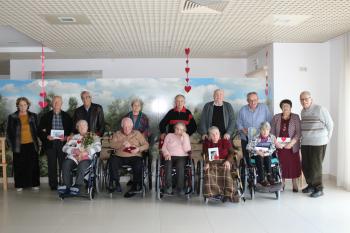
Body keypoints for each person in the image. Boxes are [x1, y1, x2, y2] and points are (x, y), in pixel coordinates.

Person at [299, 91, 333, 198]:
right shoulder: (303, 112)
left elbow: (330, 124)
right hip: (305, 142)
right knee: (305, 165)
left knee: (316, 166)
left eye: (306, 99)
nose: (304, 101)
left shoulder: (320, 109)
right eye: (302, 99)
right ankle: (311, 185)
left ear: (311, 99)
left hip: (318, 142)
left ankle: (319, 188)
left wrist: (327, 139)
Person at [39, 96, 73, 190]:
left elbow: (72, 130)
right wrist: (46, 136)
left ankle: (64, 183)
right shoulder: (45, 116)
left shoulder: (67, 116)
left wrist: (66, 137)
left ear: (61, 103)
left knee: (64, 164)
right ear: (52, 103)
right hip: (51, 143)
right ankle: (53, 185)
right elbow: (40, 131)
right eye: (54, 102)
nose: (56, 103)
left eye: (58, 102)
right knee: (51, 165)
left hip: (63, 144)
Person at [109, 117, 149, 198]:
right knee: (112, 160)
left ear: (132, 126)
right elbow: (112, 145)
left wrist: (138, 149)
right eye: (125, 126)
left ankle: (136, 186)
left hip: (134, 156)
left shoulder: (137, 133)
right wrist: (122, 143)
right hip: (120, 156)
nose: (127, 128)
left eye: (129, 126)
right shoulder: (117, 134)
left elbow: (146, 145)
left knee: (139, 163)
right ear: (122, 126)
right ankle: (116, 183)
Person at [6, 97, 40, 191]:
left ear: (28, 105)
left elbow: (38, 130)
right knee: (19, 165)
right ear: (17, 105)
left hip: (32, 144)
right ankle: (19, 185)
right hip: (18, 145)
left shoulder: (34, 116)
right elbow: (8, 133)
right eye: (20, 105)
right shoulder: (12, 116)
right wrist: (11, 145)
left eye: (24, 104)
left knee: (33, 165)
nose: (23, 106)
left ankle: (35, 184)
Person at [60, 120, 101, 194]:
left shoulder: (93, 136)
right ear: (77, 128)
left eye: (84, 126)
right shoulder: (74, 137)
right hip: (74, 158)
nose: (82, 128)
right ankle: (67, 186)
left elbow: (98, 147)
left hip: (86, 158)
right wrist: (73, 150)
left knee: (81, 165)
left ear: (87, 127)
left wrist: (87, 152)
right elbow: (64, 148)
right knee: (66, 164)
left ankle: (78, 185)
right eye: (80, 126)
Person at [271, 99, 301, 192]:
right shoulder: (276, 117)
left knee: (293, 164)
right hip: (280, 146)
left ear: (291, 107)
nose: (286, 108)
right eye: (283, 106)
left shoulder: (295, 117)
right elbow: (271, 132)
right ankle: (282, 183)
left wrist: (291, 143)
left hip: (292, 146)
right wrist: (276, 143)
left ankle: (294, 182)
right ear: (281, 108)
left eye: (287, 106)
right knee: (281, 164)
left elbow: (299, 132)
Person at [202, 126, 239, 202]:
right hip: (213, 163)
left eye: (216, 133)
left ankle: (227, 194)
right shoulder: (207, 144)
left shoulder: (225, 142)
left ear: (219, 134)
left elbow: (232, 153)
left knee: (227, 171)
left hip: (225, 162)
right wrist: (207, 163)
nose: (215, 136)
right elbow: (205, 155)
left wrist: (228, 161)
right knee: (209, 172)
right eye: (212, 134)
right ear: (209, 136)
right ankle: (215, 193)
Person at [236, 92, 272, 166]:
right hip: (246, 138)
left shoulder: (264, 107)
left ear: (258, 99)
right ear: (247, 100)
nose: (253, 102)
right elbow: (238, 123)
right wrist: (242, 129)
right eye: (250, 100)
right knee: (248, 159)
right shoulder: (243, 110)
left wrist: (266, 131)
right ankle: (250, 171)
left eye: (255, 100)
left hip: (261, 138)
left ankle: (264, 173)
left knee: (261, 157)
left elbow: (269, 121)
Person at [161, 122, 191, 195]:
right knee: (168, 164)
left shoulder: (186, 136)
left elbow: (187, 149)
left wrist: (185, 137)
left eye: (181, 129)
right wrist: (166, 154)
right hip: (170, 155)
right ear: (174, 128)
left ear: (184, 130)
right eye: (177, 128)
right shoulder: (169, 135)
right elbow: (164, 147)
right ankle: (168, 187)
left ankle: (180, 188)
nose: (178, 131)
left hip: (182, 156)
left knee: (180, 166)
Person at [246, 122, 276, 186]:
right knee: (259, 157)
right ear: (260, 130)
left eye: (267, 130)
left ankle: (269, 176)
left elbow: (273, 148)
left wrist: (266, 153)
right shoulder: (256, 137)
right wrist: (257, 151)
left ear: (269, 130)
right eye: (263, 130)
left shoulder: (272, 137)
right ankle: (261, 179)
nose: (265, 132)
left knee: (268, 157)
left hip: (267, 154)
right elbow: (248, 147)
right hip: (257, 155)